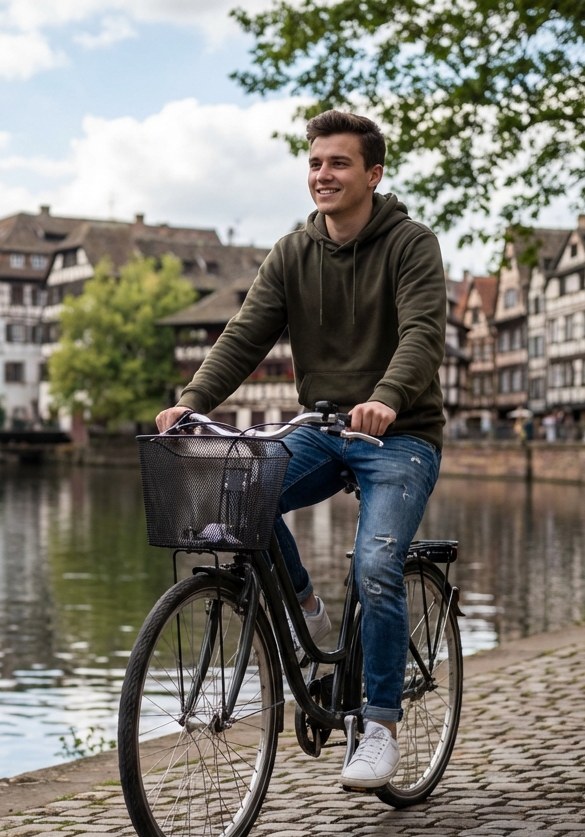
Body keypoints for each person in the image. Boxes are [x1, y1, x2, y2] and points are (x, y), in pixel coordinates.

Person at [155, 111, 447, 789]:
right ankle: (309, 617)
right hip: (322, 425)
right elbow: (244, 332)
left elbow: (422, 334)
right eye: (316, 163)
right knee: (237, 501)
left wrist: (389, 397)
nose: (324, 175)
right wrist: (194, 399)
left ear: (373, 174)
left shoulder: (411, 244)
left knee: (376, 562)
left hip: (399, 434)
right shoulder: (293, 251)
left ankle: (377, 725)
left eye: (339, 164)